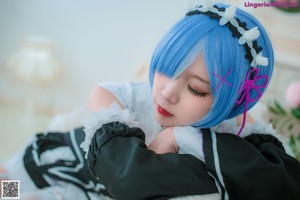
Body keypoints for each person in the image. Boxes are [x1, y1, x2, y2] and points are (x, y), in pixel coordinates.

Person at [1, 1, 300, 200]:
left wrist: (181, 136)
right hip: (58, 169)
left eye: (196, 88)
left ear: (233, 101)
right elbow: (126, 177)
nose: (167, 92)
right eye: (164, 68)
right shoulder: (110, 96)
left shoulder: (237, 127)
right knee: (8, 191)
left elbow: (283, 185)